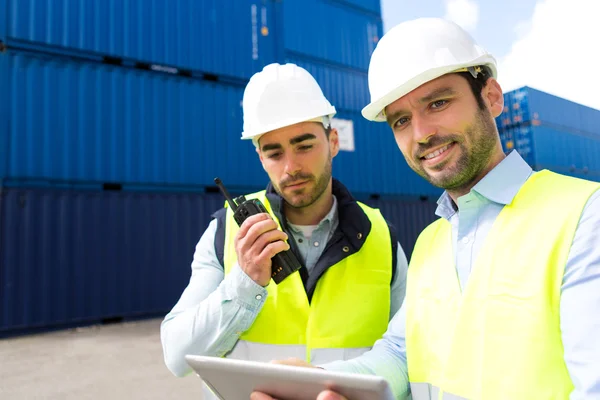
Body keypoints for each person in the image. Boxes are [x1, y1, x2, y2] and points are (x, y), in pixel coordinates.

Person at [250, 17, 600, 400]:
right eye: (401, 120)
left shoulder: (583, 216)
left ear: (492, 97)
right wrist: (319, 381)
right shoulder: (432, 241)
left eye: (438, 103)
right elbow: (401, 354)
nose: (421, 134)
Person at [160, 63, 409, 397]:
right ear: (260, 157)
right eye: (274, 153)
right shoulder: (224, 231)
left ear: (333, 141)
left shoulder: (383, 238)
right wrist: (244, 283)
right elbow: (177, 356)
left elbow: (407, 358)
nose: (291, 167)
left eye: (304, 146)